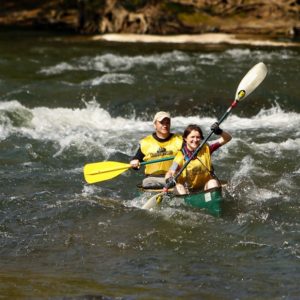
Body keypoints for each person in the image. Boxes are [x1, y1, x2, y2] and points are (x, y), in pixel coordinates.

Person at [165, 122, 232, 194]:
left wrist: (220, 131)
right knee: (179, 187)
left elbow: (228, 138)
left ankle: (213, 201)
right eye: (192, 137)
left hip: (206, 188)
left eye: (198, 137)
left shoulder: (207, 148)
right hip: (188, 191)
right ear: (185, 138)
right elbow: (170, 172)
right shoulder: (180, 156)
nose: (195, 140)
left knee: (213, 182)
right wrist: (169, 180)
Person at [130, 111, 183, 189]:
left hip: (173, 177)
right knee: (146, 182)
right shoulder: (146, 142)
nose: (165, 125)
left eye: (167, 123)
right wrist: (134, 161)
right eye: (162, 123)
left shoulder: (179, 140)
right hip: (153, 180)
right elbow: (137, 158)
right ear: (155, 125)